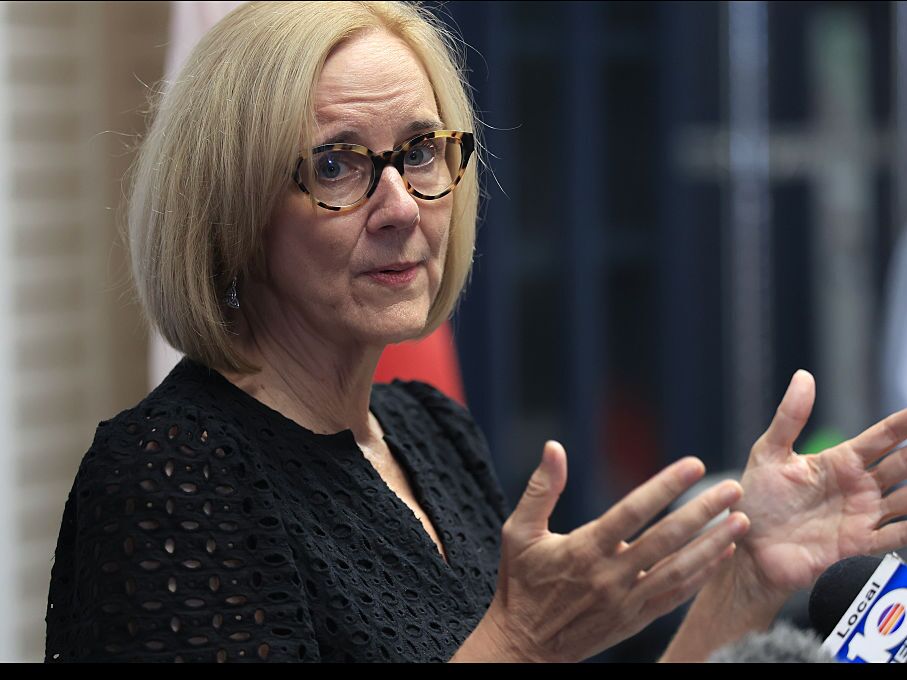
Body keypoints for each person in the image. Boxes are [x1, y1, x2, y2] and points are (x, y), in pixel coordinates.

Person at [44, 1, 907, 663]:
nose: (399, 207)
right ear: (230, 210)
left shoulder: (427, 429)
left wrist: (743, 585)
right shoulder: (165, 478)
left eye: (421, 152)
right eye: (336, 165)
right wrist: (520, 645)